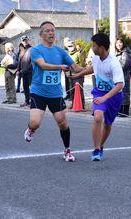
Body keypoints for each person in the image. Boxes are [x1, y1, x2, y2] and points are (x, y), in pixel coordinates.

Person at [24, 21, 83, 162]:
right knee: (35, 122)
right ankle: (31, 130)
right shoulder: (36, 50)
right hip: (38, 92)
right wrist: (60, 67)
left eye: (53, 31)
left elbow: (75, 67)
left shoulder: (61, 52)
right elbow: (43, 65)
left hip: (55, 93)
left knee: (62, 122)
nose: (51, 33)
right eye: (47, 31)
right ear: (41, 34)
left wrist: (95, 68)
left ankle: (67, 151)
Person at [71, 33, 124, 161]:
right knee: (98, 117)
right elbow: (92, 68)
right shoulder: (95, 58)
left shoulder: (114, 63)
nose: (92, 48)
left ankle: (100, 146)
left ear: (101, 48)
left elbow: (120, 85)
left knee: (108, 124)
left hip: (114, 96)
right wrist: (78, 74)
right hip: (99, 93)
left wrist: (105, 98)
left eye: (94, 46)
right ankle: (96, 149)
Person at [115, 37, 131, 117]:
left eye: (120, 42)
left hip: (124, 75)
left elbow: (125, 64)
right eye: (117, 43)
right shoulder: (117, 53)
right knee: (119, 92)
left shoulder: (126, 52)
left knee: (125, 93)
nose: (118, 44)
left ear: (123, 43)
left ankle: (125, 111)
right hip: (118, 76)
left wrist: (116, 69)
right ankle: (120, 110)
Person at [66, 39, 85, 109]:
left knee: (79, 90)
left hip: (78, 75)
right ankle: (73, 103)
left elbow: (83, 64)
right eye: (69, 46)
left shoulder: (78, 54)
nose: (70, 47)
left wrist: (79, 70)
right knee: (72, 90)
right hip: (71, 74)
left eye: (71, 45)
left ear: (74, 46)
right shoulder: (67, 54)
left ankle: (82, 104)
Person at [17, 36, 33, 107]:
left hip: (30, 71)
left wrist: (29, 69)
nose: (25, 41)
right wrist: (18, 70)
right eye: (23, 40)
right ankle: (27, 101)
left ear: (28, 40)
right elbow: (19, 61)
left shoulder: (32, 49)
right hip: (23, 71)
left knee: (32, 87)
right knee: (25, 87)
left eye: (26, 40)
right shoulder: (21, 49)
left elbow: (33, 61)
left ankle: (33, 101)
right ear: (21, 41)